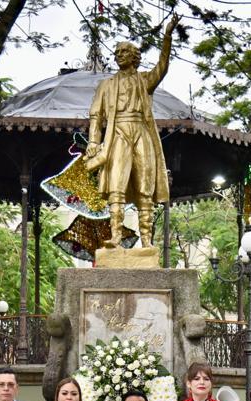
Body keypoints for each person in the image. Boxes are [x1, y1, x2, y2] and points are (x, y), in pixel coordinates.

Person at [84, 15, 180, 248]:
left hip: (141, 133)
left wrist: (167, 36)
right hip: (117, 135)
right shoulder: (106, 85)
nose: (119, 56)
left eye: (124, 52)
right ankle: (116, 237)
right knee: (116, 186)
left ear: (135, 58)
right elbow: (96, 115)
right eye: (117, 53)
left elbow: (162, 68)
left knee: (144, 186)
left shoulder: (145, 81)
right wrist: (94, 142)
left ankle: (146, 240)